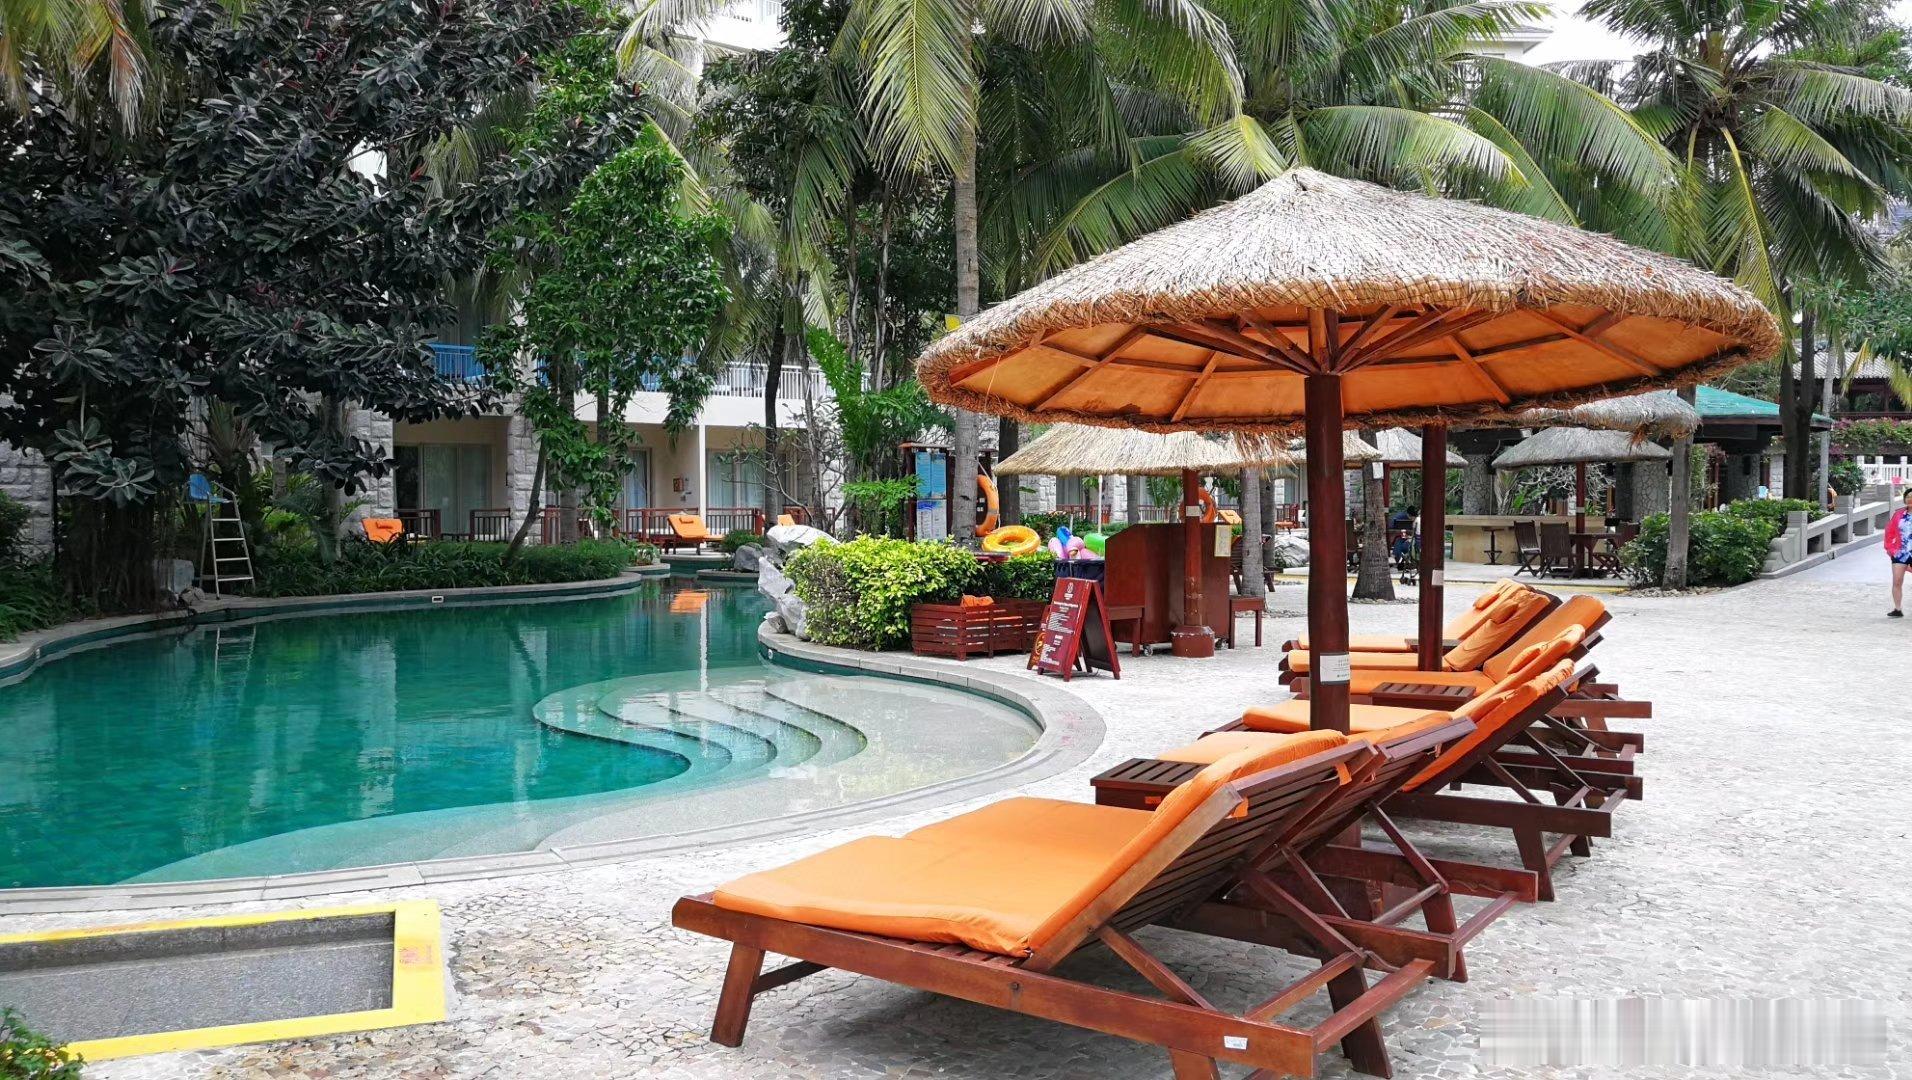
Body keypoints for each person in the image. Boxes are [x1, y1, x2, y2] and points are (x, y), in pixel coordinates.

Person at [1888, 488, 1912, 617]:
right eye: (1907, 497)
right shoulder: (1898, 514)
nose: (1910, 499)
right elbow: (1890, 531)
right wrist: (1891, 548)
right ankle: (1897, 609)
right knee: (1897, 581)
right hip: (1900, 553)